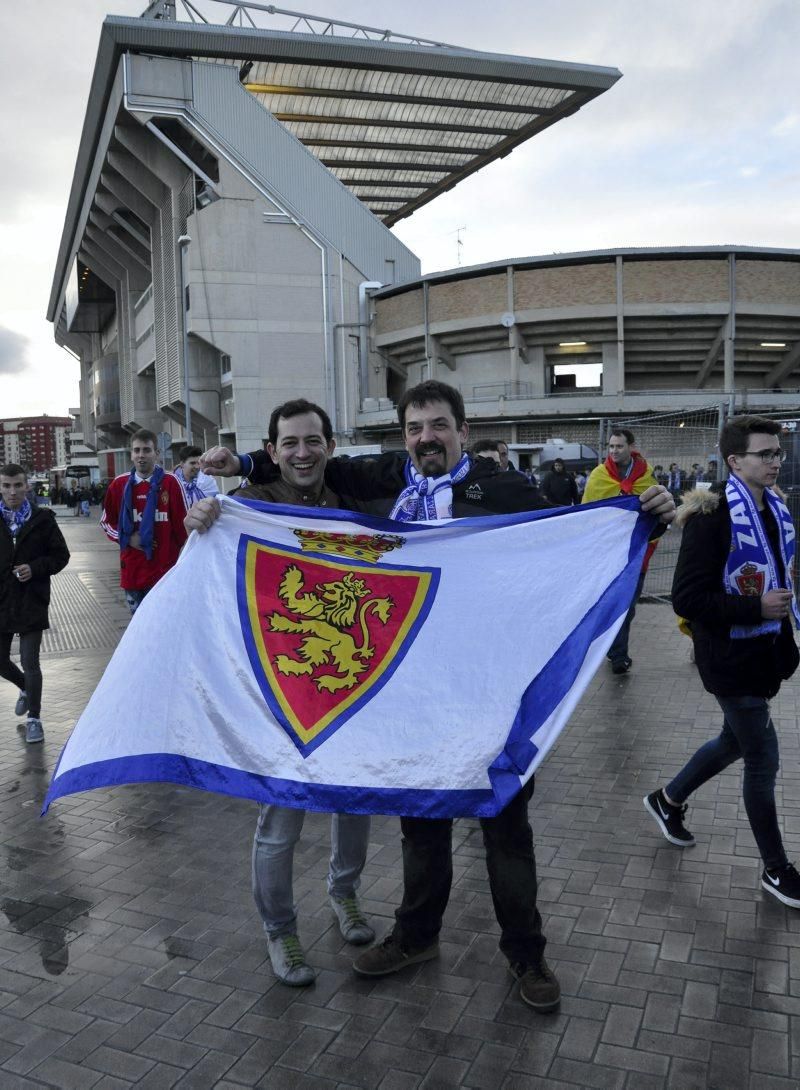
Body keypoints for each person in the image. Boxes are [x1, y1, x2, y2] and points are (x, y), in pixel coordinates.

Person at [200, 380, 675, 1012]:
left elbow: (570, 537)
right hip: (413, 697)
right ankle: (416, 936)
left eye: (439, 425)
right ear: (404, 436)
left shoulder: (503, 490)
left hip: (489, 694)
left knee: (506, 828)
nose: (427, 437)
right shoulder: (386, 481)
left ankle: (526, 955)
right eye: (416, 427)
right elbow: (315, 463)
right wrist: (237, 471)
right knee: (420, 826)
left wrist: (646, 518)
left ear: (461, 430)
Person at [185, 399, 374, 988]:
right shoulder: (250, 509)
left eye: (311, 440)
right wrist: (203, 519)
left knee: (355, 806)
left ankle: (344, 895)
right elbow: (210, 578)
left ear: (330, 446)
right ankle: (280, 929)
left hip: (349, 689)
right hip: (283, 695)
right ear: (271, 451)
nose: (302, 452)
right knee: (281, 821)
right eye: (289, 442)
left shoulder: (356, 507)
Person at [645, 416, 800, 907]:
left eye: (777, 453)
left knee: (734, 740)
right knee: (762, 757)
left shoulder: (776, 507)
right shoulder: (711, 515)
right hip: (729, 657)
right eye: (764, 454)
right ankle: (776, 869)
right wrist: (755, 608)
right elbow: (687, 597)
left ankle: (667, 800)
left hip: (765, 652)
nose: (775, 461)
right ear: (735, 461)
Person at [582, 428, 662, 674]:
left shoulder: (647, 478)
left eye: (619, 446)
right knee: (610, 604)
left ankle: (616, 651)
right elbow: (588, 513)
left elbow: (656, 516)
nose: (614, 451)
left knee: (628, 606)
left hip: (635, 554)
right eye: (611, 446)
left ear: (631, 447)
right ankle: (617, 653)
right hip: (606, 554)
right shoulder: (598, 476)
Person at [0, 464, 70, 744]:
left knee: (31, 662)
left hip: (32, 600)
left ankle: (34, 719)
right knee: (1, 662)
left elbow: (61, 555)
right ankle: (26, 690)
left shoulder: (43, 519)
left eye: (17, 485)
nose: (12, 491)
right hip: (2, 600)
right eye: (6, 486)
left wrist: (35, 568)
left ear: (27, 486)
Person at [100, 429, 188, 616]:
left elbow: (184, 530)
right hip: (133, 573)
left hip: (164, 574)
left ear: (157, 453)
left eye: (147, 450)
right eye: (137, 450)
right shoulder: (119, 485)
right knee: (138, 631)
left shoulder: (171, 483)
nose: (141, 455)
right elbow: (107, 522)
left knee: (164, 629)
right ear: (131, 454)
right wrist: (126, 538)